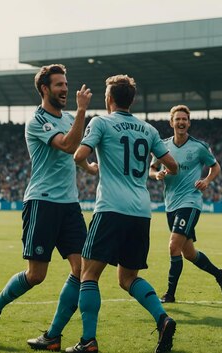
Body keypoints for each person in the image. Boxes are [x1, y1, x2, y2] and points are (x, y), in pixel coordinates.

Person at [0, 64, 93, 350]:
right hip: (42, 202)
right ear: (44, 89)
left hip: (69, 204)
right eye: (59, 85)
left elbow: (75, 152)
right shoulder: (37, 121)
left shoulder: (68, 117)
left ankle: (53, 335)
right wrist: (82, 111)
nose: (65, 89)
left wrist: (89, 166)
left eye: (66, 84)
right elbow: (67, 145)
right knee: (36, 275)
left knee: (82, 268)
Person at [71, 75, 179, 353]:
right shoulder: (148, 130)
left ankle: (88, 341)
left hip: (110, 208)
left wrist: (91, 167)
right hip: (141, 212)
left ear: (109, 99)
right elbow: (173, 166)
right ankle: (163, 318)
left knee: (89, 275)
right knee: (127, 278)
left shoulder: (101, 122)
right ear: (132, 100)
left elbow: (78, 155)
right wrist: (158, 170)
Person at [149, 104, 222, 304]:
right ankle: (218, 274)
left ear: (189, 123)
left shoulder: (199, 147)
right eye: (178, 119)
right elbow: (151, 169)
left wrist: (207, 181)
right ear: (171, 122)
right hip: (171, 204)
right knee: (189, 253)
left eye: (184, 119)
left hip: (190, 202)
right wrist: (156, 174)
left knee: (173, 247)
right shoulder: (162, 145)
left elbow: (215, 166)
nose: (181, 122)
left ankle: (170, 294)